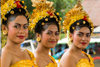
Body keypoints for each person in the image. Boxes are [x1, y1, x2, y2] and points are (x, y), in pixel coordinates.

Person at [1, 0, 37, 67]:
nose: (22, 31)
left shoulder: (28, 53)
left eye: (25, 27)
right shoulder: (5, 54)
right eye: (16, 26)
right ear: (4, 28)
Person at [60, 0, 94, 67]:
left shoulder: (85, 55)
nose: (84, 39)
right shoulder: (68, 57)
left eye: (87, 35)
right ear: (71, 36)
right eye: (80, 34)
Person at [29, 0, 62, 67]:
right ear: (38, 35)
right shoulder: (32, 60)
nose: (53, 37)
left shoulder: (51, 59)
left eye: (56, 33)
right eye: (49, 33)